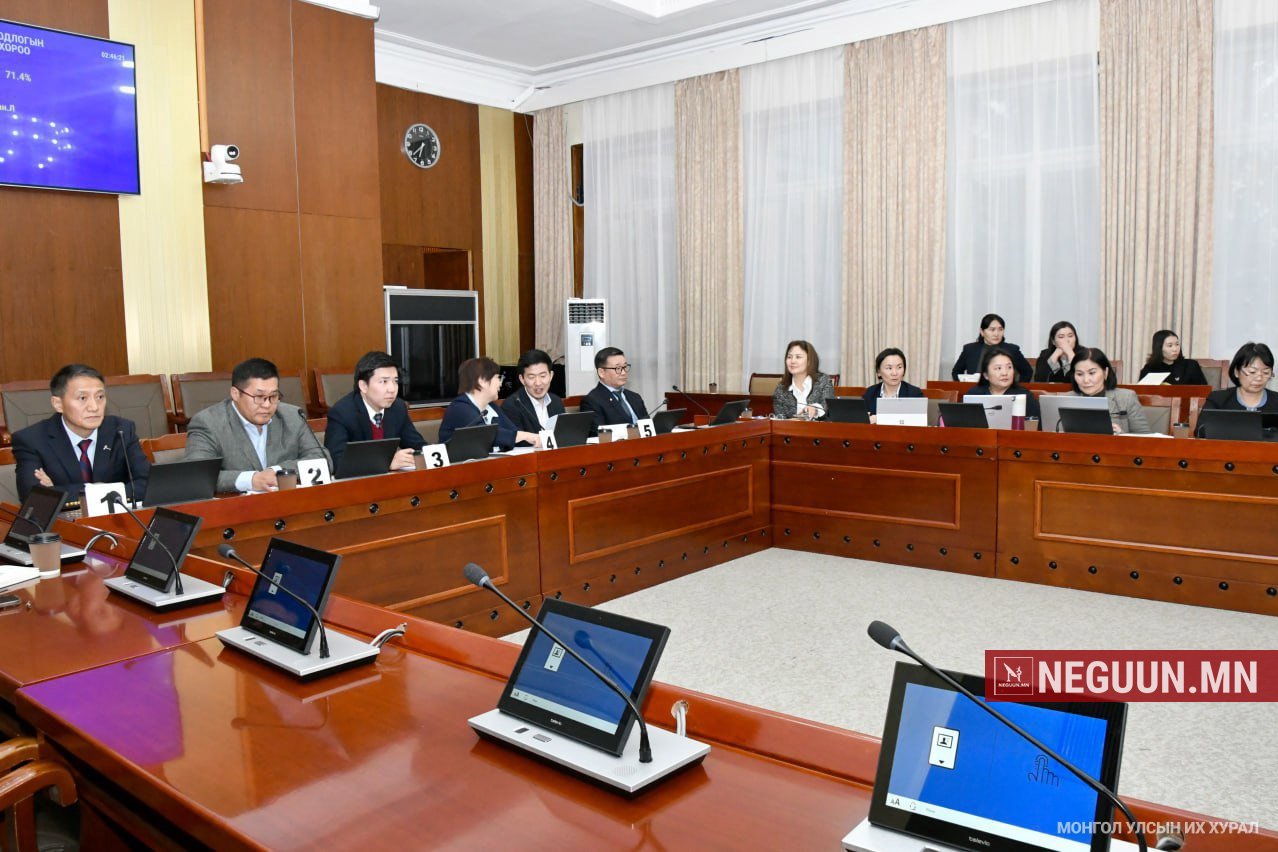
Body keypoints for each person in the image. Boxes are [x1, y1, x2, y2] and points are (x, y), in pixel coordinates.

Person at [183, 357, 328, 493]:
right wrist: (251, 480)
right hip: (237, 506)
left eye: (273, 396)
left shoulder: (292, 416)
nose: (267, 405)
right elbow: (197, 474)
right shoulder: (208, 423)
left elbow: (322, 459)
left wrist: (276, 471)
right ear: (235, 394)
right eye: (259, 397)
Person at [12, 364, 150, 502]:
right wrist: (99, 490)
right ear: (58, 404)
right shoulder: (31, 440)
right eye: (82, 398)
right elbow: (34, 497)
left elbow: (148, 485)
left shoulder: (121, 430)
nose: (94, 407)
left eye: (100, 397)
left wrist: (58, 490)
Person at [323, 351, 423, 471]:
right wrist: (386, 462)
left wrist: (432, 453)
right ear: (364, 386)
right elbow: (336, 462)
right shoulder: (342, 413)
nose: (392, 389)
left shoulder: (398, 407)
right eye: (384, 381)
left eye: (395, 381)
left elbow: (417, 445)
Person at [438, 357, 540, 450]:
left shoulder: (491, 406)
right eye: (497, 377)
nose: (500, 383)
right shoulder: (459, 408)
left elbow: (513, 432)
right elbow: (484, 434)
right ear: (482, 381)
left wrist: (536, 439)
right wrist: (524, 436)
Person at [1067, 348, 1151, 434]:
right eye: (1079, 374)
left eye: (1092, 373)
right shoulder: (1066, 399)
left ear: (1105, 372)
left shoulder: (1126, 398)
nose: (1086, 380)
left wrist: (1122, 435)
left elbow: (1145, 437)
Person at [951, 313, 1033, 382]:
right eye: (992, 330)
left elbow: (1027, 372)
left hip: (1004, 392)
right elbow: (956, 372)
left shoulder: (1012, 350)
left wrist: (1017, 389)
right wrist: (964, 388)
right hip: (975, 392)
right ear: (982, 332)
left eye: (1000, 329)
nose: (996, 334)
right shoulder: (970, 349)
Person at [580, 347, 650, 427]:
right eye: (618, 368)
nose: (623, 373)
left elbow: (649, 427)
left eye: (625, 367)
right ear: (601, 372)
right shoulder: (592, 401)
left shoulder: (635, 397)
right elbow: (600, 432)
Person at [503, 348, 566, 437]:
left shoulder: (556, 402)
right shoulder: (512, 406)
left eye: (543, 376)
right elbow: (516, 441)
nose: (538, 383)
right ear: (522, 379)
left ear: (551, 376)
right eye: (531, 377)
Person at [966, 347, 1040, 419]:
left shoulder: (1025, 397)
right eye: (998, 368)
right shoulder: (974, 395)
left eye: (1009, 367)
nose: (1004, 373)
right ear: (986, 375)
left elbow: (1036, 425)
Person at [1202, 342, 1278, 412]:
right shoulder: (1217, 400)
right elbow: (1205, 422)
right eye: (1252, 372)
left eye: (1266, 372)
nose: (1259, 378)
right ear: (1236, 372)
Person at [771, 340, 835, 420]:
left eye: (798, 357)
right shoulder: (781, 388)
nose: (792, 361)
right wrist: (796, 420)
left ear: (809, 361)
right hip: (791, 428)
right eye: (789, 357)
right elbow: (780, 419)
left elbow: (827, 407)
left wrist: (814, 409)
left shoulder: (823, 380)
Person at [861, 347, 923, 422]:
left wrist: (880, 418)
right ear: (879, 372)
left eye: (899, 367)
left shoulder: (915, 394)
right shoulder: (870, 393)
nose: (894, 373)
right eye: (889, 368)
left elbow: (919, 424)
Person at [1139, 329, 1208, 385]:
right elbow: (1142, 394)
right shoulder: (1150, 369)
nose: (1175, 349)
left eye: (1177, 344)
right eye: (1170, 345)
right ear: (1159, 348)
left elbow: (1204, 391)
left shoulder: (1191, 365)